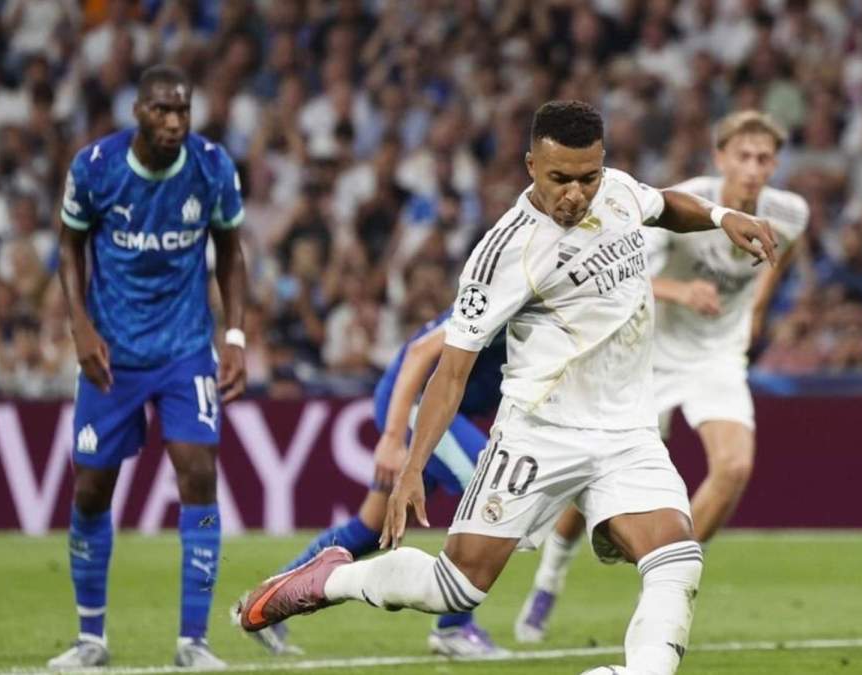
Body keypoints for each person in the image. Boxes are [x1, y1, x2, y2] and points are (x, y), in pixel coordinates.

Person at [235, 100, 777, 675]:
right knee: (454, 588)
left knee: (677, 560)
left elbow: (664, 205)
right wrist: (412, 464)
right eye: (560, 178)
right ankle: (332, 579)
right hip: (539, 434)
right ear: (530, 166)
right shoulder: (503, 255)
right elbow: (449, 369)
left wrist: (721, 216)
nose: (576, 194)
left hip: (628, 432)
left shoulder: (617, 191)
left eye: (588, 177)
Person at [515, 110, 809, 643]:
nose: (753, 167)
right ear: (720, 158)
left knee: (735, 467)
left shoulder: (790, 211)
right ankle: (548, 580)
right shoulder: (686, 203)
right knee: (594, 476)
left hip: (717, 358)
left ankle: (669, 580)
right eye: (743, 156)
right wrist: (681, 291)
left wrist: (758, 306)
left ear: (775, 165)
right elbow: (624, 275)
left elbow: (784, 249)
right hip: (646, 354)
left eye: (764, 158)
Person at [49, 65, 248, 669]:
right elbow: (69, 243)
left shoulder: (212, 167)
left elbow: (231, 253)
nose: (174, 122)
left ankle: (194, 641)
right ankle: (90, 638)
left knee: (199, 475)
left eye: (182, 110)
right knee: (90, 489)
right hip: (113, 354)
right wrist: (79, 326)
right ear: (137, 111)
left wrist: (235, 335)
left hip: (185, 350)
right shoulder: (96, 167)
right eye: (162, 110)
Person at [241, 308, 510, 658]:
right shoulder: (510, 297)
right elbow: (419, 353)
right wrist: (393, 437)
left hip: (429, 408)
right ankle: (454, 628)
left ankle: (268, 604)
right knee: (488, 486)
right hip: (413, 404)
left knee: (372, 527)